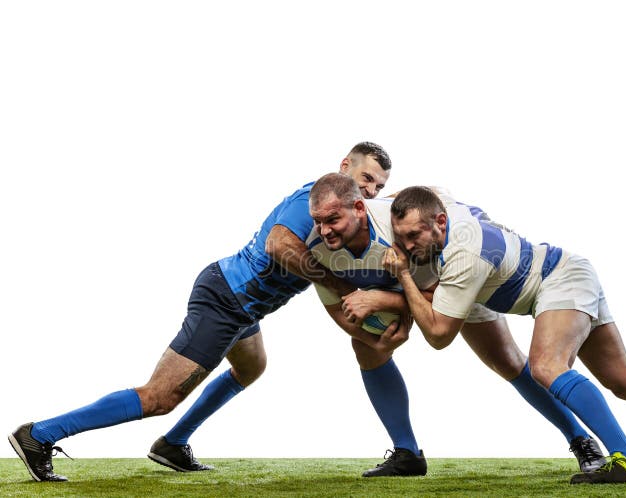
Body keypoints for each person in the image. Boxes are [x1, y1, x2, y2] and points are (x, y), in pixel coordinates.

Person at [7, 142, 398, 482]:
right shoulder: (313, 198)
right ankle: (39, 434)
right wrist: (346, 287)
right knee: (158, 397)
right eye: (366, 177)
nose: (370, 188)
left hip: (244, 307)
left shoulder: (351, 213)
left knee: (252, 367)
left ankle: (173, 444)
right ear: (344, 165)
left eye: (378, 185)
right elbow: (279, 245)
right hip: (225, 297)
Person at [382, 186, 626, 484]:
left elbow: (438, 335)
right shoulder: (442, 207)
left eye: (414, 235)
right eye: (402, 237)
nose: (408, 245)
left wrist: (401, 274)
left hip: (559, 280)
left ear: (441, 222)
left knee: (547, 366)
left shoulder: (467, 254)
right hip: (567, 272)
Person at [305, 173, 608, 476]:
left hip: (455, 281)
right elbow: (337, 307)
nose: (323, 230)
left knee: (508, 361)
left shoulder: (399, 225)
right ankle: (407, 453)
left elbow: (449, 285)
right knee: (365, 348)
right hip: (414, 288)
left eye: (332, 219)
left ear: (359, 208)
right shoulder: (317, 248)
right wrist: (378, 341)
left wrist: (384, 301)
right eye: (317, 221)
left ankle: (580, 439)